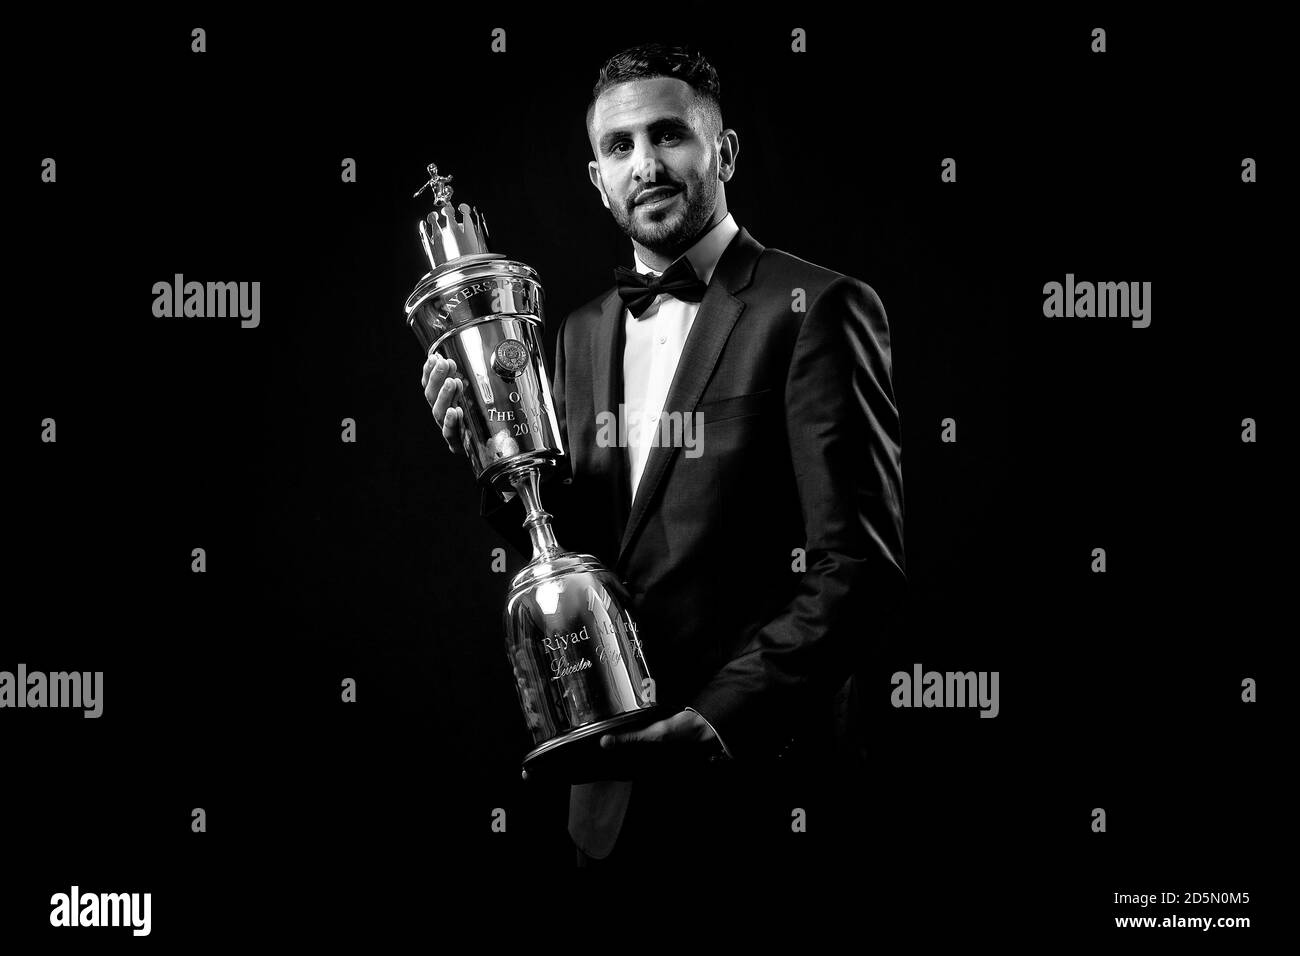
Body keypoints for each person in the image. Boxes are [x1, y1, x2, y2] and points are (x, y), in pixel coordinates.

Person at [422, 42, 906, 868]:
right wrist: (495, 461)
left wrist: (715, 721)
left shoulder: (817, 307)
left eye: (668, 135)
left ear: (724, 151)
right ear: (597, 179)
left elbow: (857, 569)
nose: (645, 163)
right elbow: (587, 547)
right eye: (620, 147)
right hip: (611, 810)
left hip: (768, 790)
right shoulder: (576, 332)